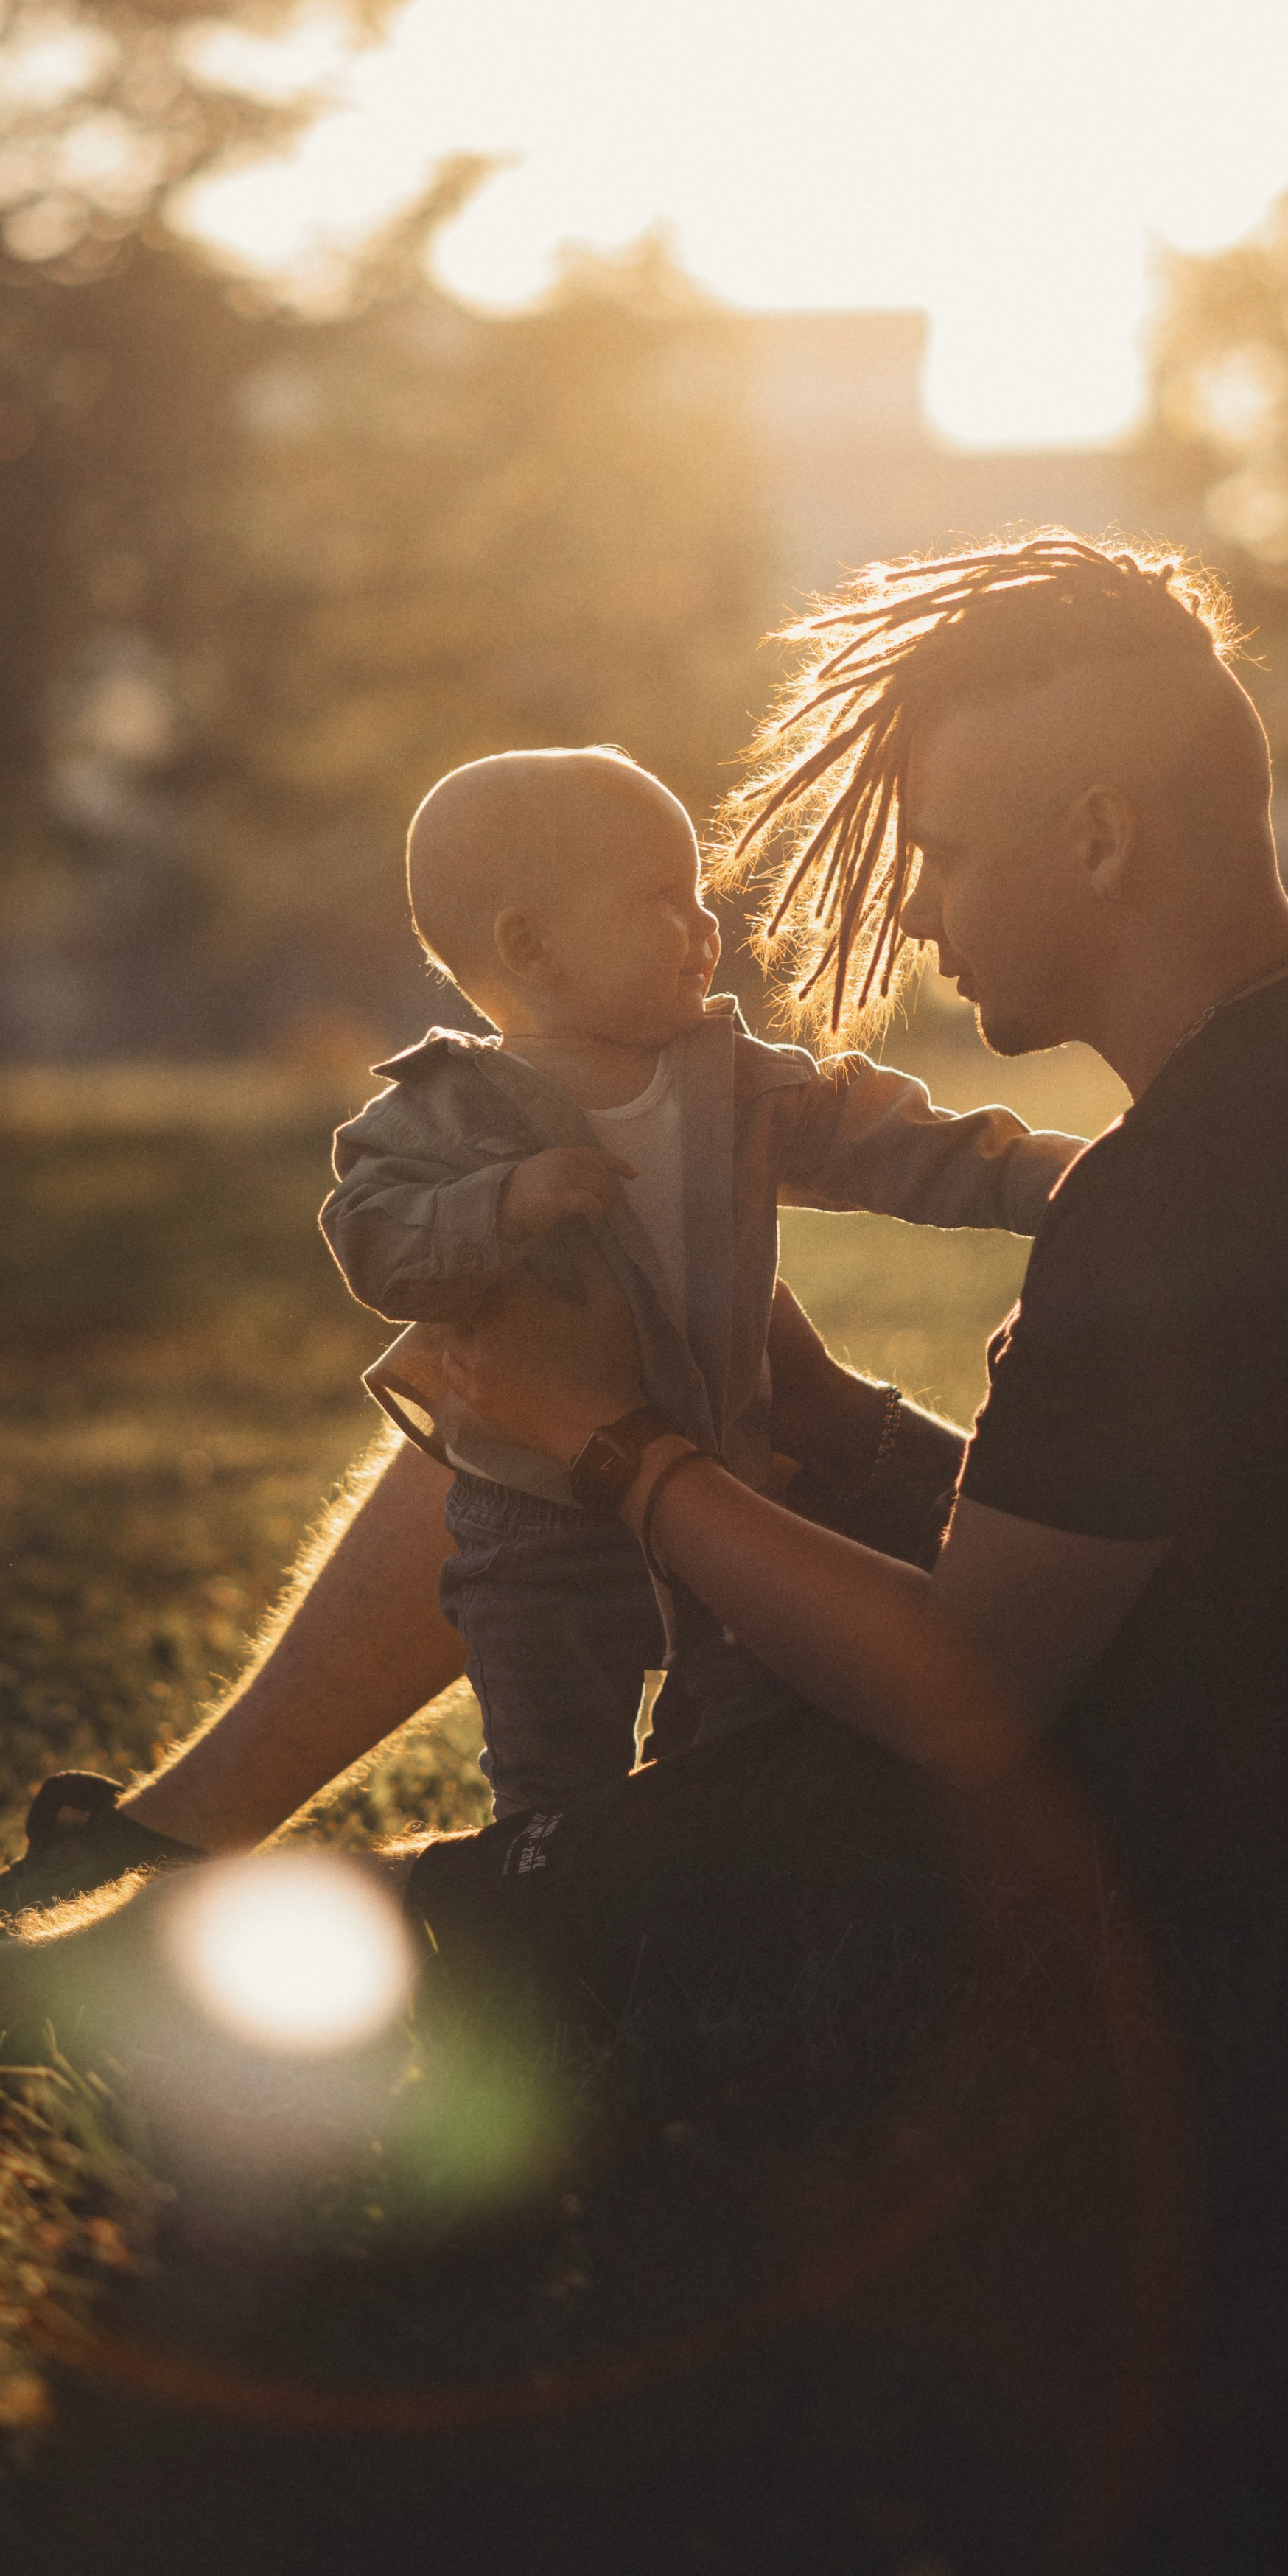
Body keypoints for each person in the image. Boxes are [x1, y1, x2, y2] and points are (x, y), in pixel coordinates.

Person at [0, 533, 1288, 2071]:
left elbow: (965, 1690)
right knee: (529, 1402)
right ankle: (173, 1826)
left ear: (1102, 838)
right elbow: (1142, 1539)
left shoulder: (1182, 1193)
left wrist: (623, 1448)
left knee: (171, 1977)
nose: (912, 901)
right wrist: (797, 1420)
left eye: (951, 850)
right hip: (1129, 1774)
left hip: (976, 1891)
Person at [320, 745, 1077, 1819]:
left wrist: (1076, 1180)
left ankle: (692, 1854)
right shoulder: (441, 1116)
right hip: (534, 1526)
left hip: (727, 1485)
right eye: (662, 899)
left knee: (728, 1737)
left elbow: (903, 1144)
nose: (705, 926)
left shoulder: (734, 1082)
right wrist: (503, 1205)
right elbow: (374, 1239)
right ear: (530, 945)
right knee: (552, 1763)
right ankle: (555, 1883)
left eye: (700, 893)